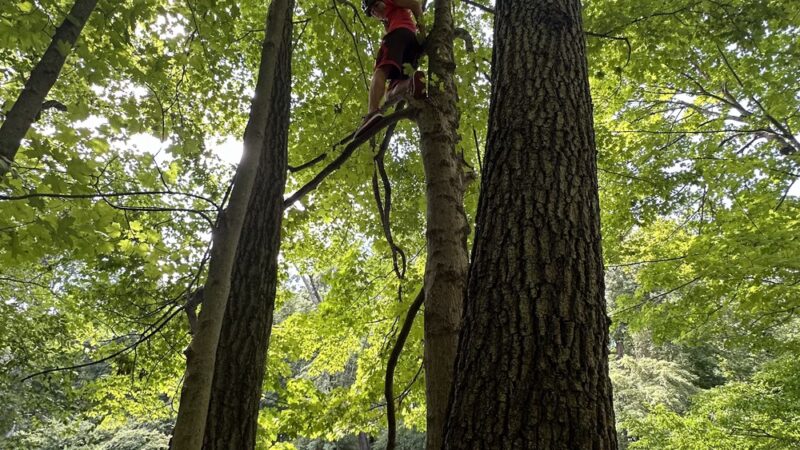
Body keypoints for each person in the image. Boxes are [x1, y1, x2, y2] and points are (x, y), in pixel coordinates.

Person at [356, 0, 426, 137]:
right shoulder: (388, 20)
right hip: (411, 47)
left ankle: (372, 112)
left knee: (381, 70)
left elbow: (415, 4)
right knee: (391, 93)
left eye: (375, 6)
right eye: (372, 12)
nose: (375, 12)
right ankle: (410, 83)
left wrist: (422, 30)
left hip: (399, 35)